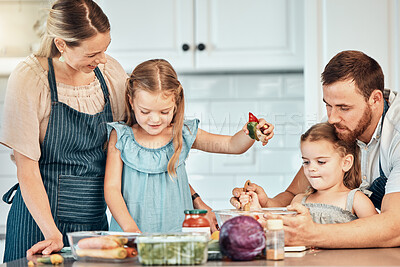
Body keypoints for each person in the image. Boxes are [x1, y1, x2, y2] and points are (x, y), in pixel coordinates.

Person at [0, 0, 128, 262]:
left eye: (105, 49)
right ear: (61, 44)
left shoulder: (110, 73)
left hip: (92, 220)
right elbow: (27, 168)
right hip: (39, 225)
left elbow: (142, 142)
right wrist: (52, 233)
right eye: (92, 54)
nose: (101, 59)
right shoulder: (30, 77)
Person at [232, 50, 400, 248]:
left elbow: (394, 229)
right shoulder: (339, 126)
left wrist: (311, 235)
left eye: (344, 108)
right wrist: (264, 204)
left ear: (375, 99)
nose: (331, 118)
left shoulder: (395, 134)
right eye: (328, 105)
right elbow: (293, 193)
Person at [104, 59, 274, 233]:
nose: (154, 119)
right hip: (130, 237)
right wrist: (130, 228)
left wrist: (253, 132)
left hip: (179, 235)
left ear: (176, 104)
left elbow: (231, 145)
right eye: (145, 111)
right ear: (131, 102)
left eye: (164, 112)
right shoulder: (121, 137)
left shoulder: (182, 133)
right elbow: (111, 189)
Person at [240, 122, 377, 224]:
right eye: (306, 162)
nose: (311, 168)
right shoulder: (299, 201)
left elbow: (375, 233)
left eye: (321, 162)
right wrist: (257, 210)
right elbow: (282, 230)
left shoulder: (356, 200)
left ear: (346, 163)